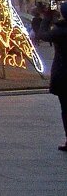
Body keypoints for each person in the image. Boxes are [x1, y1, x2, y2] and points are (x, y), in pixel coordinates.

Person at [37, 8, 67, 151]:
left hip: (63, 74)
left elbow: (42, 35)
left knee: (66, 109)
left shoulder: (60, 31)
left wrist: (46, 19)